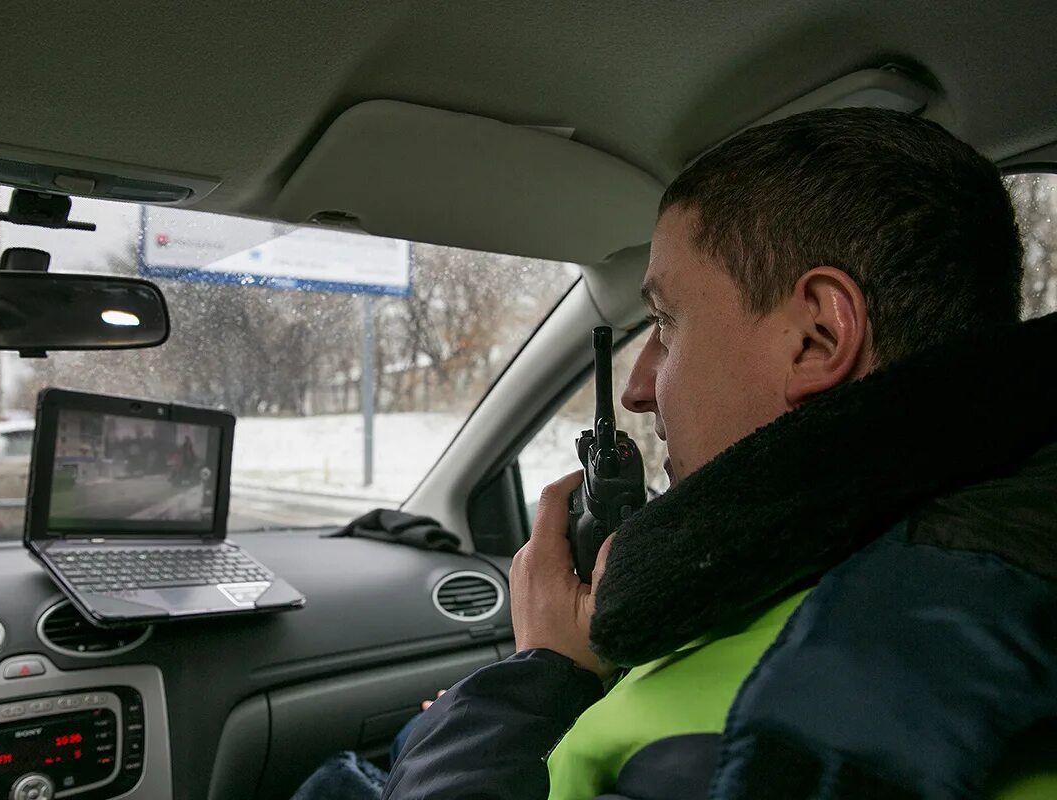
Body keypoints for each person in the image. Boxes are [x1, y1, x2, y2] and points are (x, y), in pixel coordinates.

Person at [298, 107, 1057, 798]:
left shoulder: (763, 730)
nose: (636, 387)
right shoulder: (947, 582)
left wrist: (538, 678)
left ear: (818, 338)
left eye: (665, 323)